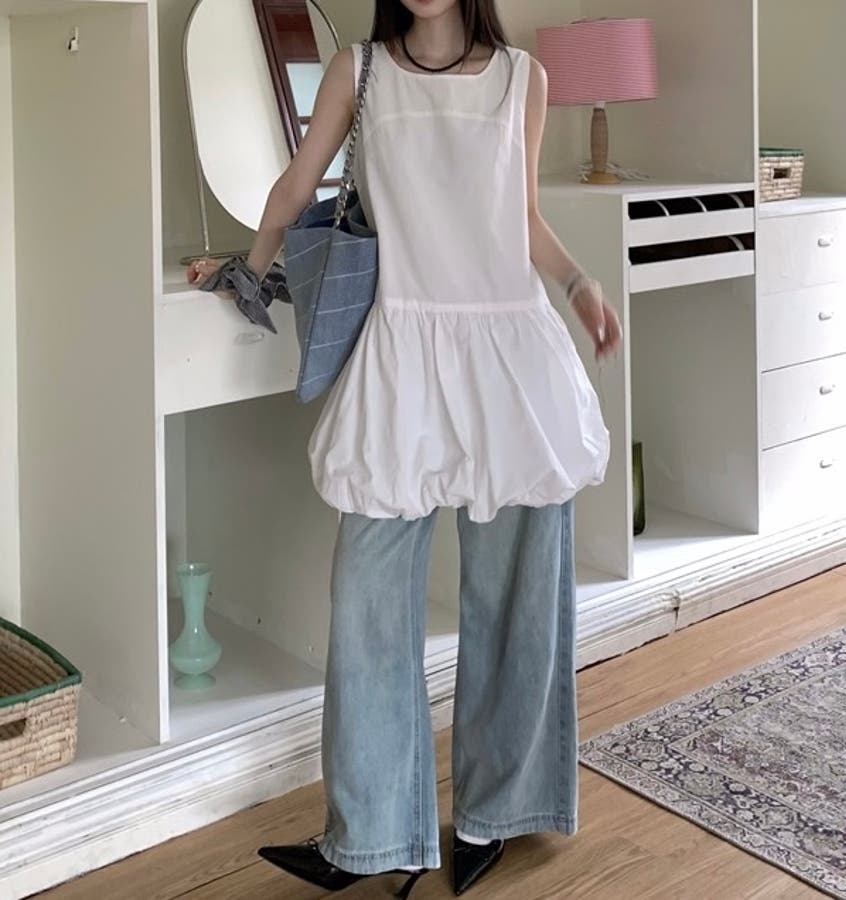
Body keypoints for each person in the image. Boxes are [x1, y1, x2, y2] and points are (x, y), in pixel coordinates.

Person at [187, 0, 621, 895]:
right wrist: (248, 268)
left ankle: (499, 813)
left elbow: (521, 214)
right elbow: (297, 185)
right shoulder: (360, 71)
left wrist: (579, 284)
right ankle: (375, 834)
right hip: (405, 351)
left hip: (512, 354)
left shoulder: (524, 77)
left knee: (517, 600)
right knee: (368, 602)